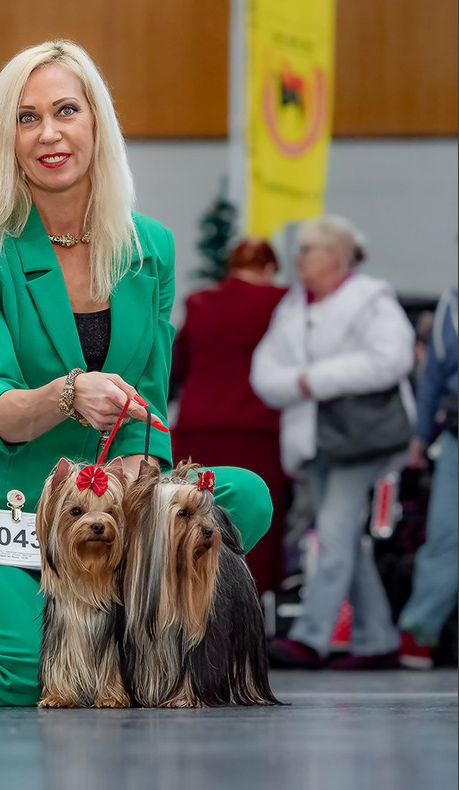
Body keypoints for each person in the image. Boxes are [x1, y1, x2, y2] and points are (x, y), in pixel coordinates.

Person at [0, 38, 273, 706]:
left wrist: (143, 467)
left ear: (96, 121)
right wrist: (69, 394)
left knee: (240, 498)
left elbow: (152, 397)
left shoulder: (148, 247)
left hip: (97, 501)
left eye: (65, 110)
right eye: (26, 117)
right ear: (5, 139)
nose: (49, 133)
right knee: (34, 676)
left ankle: (120, 630)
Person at [251, 215, 416, 670]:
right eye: (299, 248)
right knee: (342, 538)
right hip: (314, 442)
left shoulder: (371, 300)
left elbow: (392, 358)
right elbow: (264, 375)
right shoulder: (291, 307)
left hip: (363, 440)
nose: (298, 258)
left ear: (337, 256)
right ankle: (378, 638)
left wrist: (311, 380)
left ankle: (309, 638)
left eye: (309, 248)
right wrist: (304, 383)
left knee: (333, 534)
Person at [171, 237, 290, 595]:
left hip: (196, 425)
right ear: (270, 268)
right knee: (253, 523)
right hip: (256, 427)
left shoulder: (200, 302)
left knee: (188, 517)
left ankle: (187, 599)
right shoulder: (280, 302)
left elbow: (178, 364)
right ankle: (246, 604)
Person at [398, 285, 458, 668]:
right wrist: (418, 436)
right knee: (443, 534)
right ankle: (420, 630)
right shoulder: (451, 304)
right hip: (454, 434)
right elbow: (433, 376)